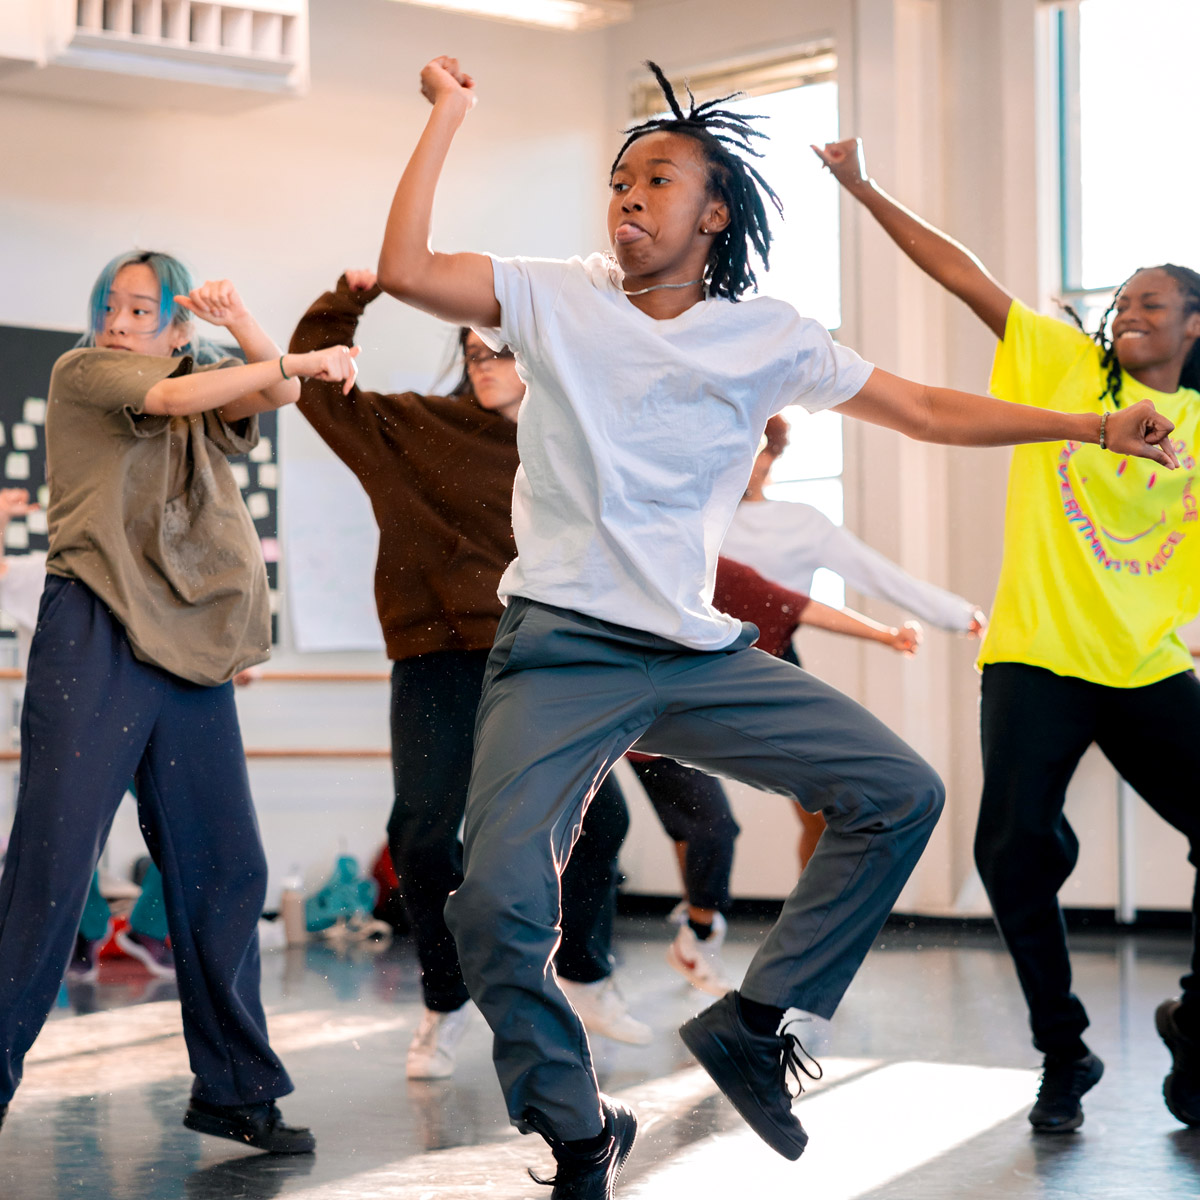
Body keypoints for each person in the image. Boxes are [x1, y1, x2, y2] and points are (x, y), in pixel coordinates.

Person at [378, 56, 1176, 1197]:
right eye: (619, 182)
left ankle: (755, 1024)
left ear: (716, 214)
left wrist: (1091, 428)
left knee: (899, 793)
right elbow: (407, 268)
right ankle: (575, 1126)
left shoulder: (769, 338)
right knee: (496, 902)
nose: (630, 198)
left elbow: (926, 408)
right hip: (559, 647)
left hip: (694, 655)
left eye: (658, 179)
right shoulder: (554, 296)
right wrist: (452, 115)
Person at [816, 134, 1200, 1134]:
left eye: (1151, 303)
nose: (1126, 313)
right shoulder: (1067, 366)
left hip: (1148, 667)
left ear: (1195, 328)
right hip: (1036, 655)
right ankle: (1063, 1049)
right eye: (1121, 299)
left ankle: (1195, 1028)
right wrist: (863, 187)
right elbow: (965, 278)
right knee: (1014, 849)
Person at [0, 249, 358, 1151]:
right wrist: (296, 361)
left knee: (226, 864)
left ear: (176, 327)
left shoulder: (206, 376)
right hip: (96, 631)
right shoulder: (85, 373)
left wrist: (244, 322)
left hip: (188, 652)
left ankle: (237, 1091)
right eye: (110, 306)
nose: (119, 321)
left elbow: (269, 398)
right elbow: (170, 399)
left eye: (141, 310)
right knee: (51, 871)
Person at [288, 271, 648, 1072]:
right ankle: (445, 1001)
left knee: (603, 823)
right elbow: (314, 383)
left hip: (546, 658)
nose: (483, 362)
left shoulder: (577, 447)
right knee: (421, 837)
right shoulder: (419, 428)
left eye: (500, 351)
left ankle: (587, 974)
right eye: (471, 350)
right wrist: (350, 298)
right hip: (439, 657)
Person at [641, 552, 923, 998]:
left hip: (711, 698)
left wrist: (887, 636)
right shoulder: (639, 580)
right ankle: (695, 933)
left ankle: (712, 933)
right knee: (690, 826)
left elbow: (805, 606)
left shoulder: (728, 574)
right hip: (652, 712)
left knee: (713, 827)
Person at [726, 413, 986, 866]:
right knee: (696, 814)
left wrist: (957, 615)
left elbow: (879, 574)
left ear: (770, 456)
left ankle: (811, 927)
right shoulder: (697, 519)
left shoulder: (800, 523)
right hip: (688, 661)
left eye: (761, 449)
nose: (751, 461)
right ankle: (700, 917)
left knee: (819, 809)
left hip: (772, 665)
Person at [0, 488, 175, 982]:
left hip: (143, 716)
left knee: (181, 826)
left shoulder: (147, 570)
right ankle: (84, 929)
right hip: (73, 722)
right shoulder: (44, 572)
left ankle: (148, 929)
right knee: (70, 838)